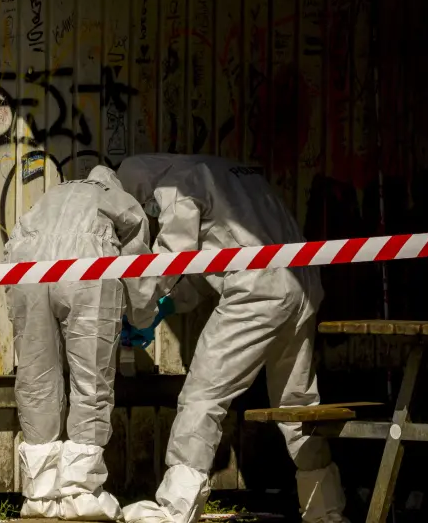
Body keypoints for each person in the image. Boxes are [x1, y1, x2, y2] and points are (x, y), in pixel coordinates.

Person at [115, 154, 348, 523]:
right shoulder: (227, 173)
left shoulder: (180, 184)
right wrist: (167, 307)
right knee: (298, 403)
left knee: (203, 395)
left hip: (258, 290)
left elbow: (170, 258)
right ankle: (325, 510)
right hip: (301, 284)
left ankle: (177, 507)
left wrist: (138, 308)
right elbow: (209, 261)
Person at [5, 165, 161, 520]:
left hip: (26, 268)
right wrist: (143, 313)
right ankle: (80, 491)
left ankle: (40, 495)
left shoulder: (49, 196)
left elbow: (12, 242)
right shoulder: (113, 195)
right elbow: (137, 255)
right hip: (87, 262)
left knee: (35, 377)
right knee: (91, 376)